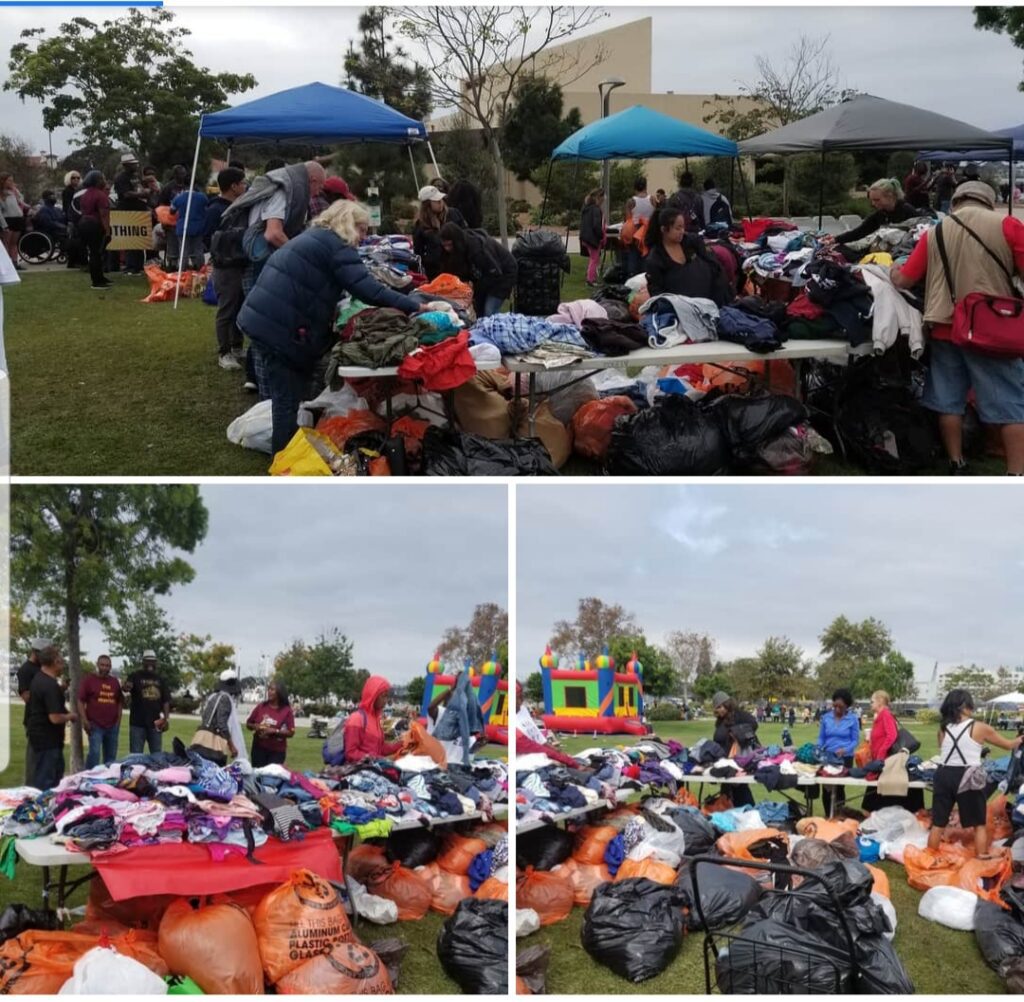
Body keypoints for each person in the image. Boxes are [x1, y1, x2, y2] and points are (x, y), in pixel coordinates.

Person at [238, 199, 426, 455]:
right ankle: (283, 459)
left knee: (288, 394)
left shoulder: (318, 237)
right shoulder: (337, 245)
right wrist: (413, 306)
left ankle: (290, 448)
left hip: (268, 319)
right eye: (362, 229)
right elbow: (368, 289)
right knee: (286, 399)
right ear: (348, 223)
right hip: (278, 327)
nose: (363, 236)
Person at [891, 181, 1024, 475]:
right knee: (1012, 402)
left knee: (948, 400)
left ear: (957, 200)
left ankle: (956, 462)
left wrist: (892, 268)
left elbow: (905, 280)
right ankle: (1016, 474)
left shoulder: (936, 230)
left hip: (945, 328)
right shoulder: (1009, 225)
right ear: (988, 202)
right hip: (992, 328)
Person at [929, 689, 1022, 858]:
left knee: (938, 822)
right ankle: (982, 855)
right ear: (964, 706)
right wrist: (1019, 739)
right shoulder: (979, 727)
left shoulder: (943, 729)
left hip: (943, 774)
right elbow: (1009, 745)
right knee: (978, 823)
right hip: (967, 776)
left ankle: (929, 857)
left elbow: (947, 751)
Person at [205, 167, 249, 371]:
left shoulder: (241, 206)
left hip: (241, 264)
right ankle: (224, 352)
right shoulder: (215, 210)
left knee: (239, 306)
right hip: (225, 267)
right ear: (233, 186)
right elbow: (209, 237)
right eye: (242, 183)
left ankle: (237, 346)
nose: (245, 186)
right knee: (227, 309)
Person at [644, 207, 732, 305]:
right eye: (678, 228)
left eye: (683, 227)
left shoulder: (692, 242)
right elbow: (656, 292)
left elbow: (713, 265)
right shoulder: (655, 259)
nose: (682, 231)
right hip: (681, 308)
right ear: (664, 229)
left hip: (710, 301)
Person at [439, 221, 517, 316]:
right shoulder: (459, 250)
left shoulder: (477, 250)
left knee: (489, 311)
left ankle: (493, 327)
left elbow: (493, 273)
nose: (447, 249)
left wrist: (475, 292)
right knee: (479, 309)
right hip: (488, 275)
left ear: (456, 242)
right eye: (445, 246)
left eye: (450, 245)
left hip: (503, 273)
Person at [26, 646, 77, 791]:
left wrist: (61, 690)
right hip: (47, 742)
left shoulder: (39, 679)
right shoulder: (49, 685)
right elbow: (54, 718)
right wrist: (71, 716)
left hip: (40, 739)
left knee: (45, 779)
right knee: (46, 784)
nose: (62, 662)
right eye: (60, 658)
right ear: (55, 661)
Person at [831, 179, 923, 246]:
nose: (873, 204)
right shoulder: (880, 215)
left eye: (877, 200)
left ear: (890, 196)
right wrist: (835, 239)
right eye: (872, 200)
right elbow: (859, 232)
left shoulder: (908, 211)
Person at [711, 691, 759, 807]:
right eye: (716, 708)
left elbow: (754, 724)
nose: (718, 710)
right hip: (724, 762)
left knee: (740, 789)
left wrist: (737, 732)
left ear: (727, 704)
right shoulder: (720, 721)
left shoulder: (738, 715)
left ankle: (749, 812)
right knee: (727, 792)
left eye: (720, 707)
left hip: (737, 761)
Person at [191, 670, 248, 766]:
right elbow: (222, 724)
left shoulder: (213, 697)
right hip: (214, 742)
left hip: (202, 737)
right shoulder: (225, 698)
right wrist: (232, 746)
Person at [77, 653, 123, 768]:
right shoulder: (89, 680)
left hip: (112, 726)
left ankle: (107, 780)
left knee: (111, 757)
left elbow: (120, 702)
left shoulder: (114, 682)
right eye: (102, 665)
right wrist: (85, 720)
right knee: (94, 754)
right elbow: (80, 701)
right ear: (97, 665)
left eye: (107, 666)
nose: (105, 668)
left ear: (110, 667)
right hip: (95, 725)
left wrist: (118, 721)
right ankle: (88, 777)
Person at [818, 688, 859, 815]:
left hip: (845, 758)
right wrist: (819, 747)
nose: (837, 709)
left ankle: (838, 816)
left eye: (841, 707)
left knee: (839, 787)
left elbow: (855, 740)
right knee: (826, 788)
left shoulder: (852, 719)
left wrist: (845, 749)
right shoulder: (826, 717)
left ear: (847, 706)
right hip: (827, 756)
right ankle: (827, 816)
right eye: (835, 705)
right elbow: (821, 737)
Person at [343, 675, 402, 764]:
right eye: (383, 696)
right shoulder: (357, 719)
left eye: (387, 696)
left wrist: (402, 744)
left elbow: (380, 748)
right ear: (373, 695)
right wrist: (377, 759)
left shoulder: (376, 719)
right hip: (359, 770)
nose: (386, 700)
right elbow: (351, 753)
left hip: (373, 767)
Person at [412, 185, 466, 280]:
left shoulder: (454, 214)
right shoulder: (421, 225)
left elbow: (466, 235)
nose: (440, 202)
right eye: (436, 201)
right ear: (427, 204)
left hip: (458, 268)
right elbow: (418, 252)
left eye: (441, 199)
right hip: (435, 273)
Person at [433, 668, 484, 766]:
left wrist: (478, 745)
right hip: (438, 767)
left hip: (456, 770)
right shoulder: (442, 714)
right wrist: (451, 689)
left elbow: (469, 753)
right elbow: (431, 707)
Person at [124, 650, 170, 754]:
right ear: (143, 662)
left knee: (157, 755)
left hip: (156, 724)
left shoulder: (160, 679)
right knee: (136, 755)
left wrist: (166, 719)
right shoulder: (135, 676)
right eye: (147, 661)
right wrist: (126, 687)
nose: (150, 664)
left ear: (156, 663)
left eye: (152, 661)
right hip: (137, 723)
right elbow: (126, 688)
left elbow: (166, 701)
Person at [112, 153, 151, 274]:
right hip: (127, 210)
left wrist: (146, 190)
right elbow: (126, 194)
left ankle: (138, 266)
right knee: (130, 240)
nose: (136, 165)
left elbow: (139, 188)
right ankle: (131, 266)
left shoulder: (136, 176)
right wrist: (143, 194)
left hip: (139, 210)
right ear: (126, 165)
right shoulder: (120, 178)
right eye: (133, 164)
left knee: (139, 239)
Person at [18, 638, 48, 784]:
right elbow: (26, 697)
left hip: (46, 720)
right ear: (35, 652)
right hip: (34, 720)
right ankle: (29, 790)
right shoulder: (25, 670)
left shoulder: (42, 668)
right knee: (33, 759)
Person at [246, 678, 295, 767]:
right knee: (258, 776)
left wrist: (274, 731)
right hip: (258, 749)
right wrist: (255, 727)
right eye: (268, 689)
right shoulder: (261, 706)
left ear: (279, 692)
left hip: (277, 752)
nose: (269, 691)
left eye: (272, 689)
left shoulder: (286, 711)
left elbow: (291, 732)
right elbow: (248, 724)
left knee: (271, 778)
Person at [77, 171, 112, 290]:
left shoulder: (85, 194)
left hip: (83, 223)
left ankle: (100, 277)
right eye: (103, 179)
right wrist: (107, 231)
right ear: (98, 181)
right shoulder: (100, 195)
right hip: (94, 224)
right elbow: (104, 215)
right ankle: (97, 281)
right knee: (96, 253)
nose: (105, 181)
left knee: (94, 252)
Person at [171, 180, 209, 271]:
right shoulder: (202, 197)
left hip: (183, 227)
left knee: (184, 250)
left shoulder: (179, 198)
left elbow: (172, 211)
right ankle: (201, 269)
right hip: (198, 227)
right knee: (198, 249)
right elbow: (207, 208)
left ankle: (182, 270)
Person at [0, 174, 28, 270]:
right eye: (9, 181)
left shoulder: (13, 192)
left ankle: (15, 262)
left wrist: (16, 191)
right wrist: (4, 225)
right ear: (3, 181)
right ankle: (7, 264)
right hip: (8, 219)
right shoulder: (1, 194)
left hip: (17, 218)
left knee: (14, 243)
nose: (11, 183)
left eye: (12, 180)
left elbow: (21, 200)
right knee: (6, 243)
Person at [579, 189, 605, 286]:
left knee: (594, 258)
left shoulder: (587, 208)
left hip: (586, 236)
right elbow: (596, 225)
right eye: (603, 197)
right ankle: (590, 280)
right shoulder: (596, 210)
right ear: (599, 198)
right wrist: (601, 235)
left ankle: (591, 277)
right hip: (592, 238)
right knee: (594, 259)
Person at [61, 170, 85, 269]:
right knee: (73, 240)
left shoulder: (80, 190)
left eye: (78, 178)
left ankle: (79, 260)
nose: (76, 180)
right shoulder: (67, 191)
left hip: (79, 217)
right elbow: (67, 206)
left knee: (79, 240)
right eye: (73, 178)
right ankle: (72, 261)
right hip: (71, 218)